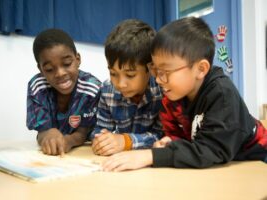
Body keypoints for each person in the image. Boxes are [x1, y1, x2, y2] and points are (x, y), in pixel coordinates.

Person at [102, 17, 267, 171]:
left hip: (256, 162)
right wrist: (171, 142)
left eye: (165, 71)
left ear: (201, 69)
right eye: (155, 70)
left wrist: (151, 155)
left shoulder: (222, 95)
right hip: (223, 166)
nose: (158, 79)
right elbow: (180, 137)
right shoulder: (173, 95)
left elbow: (211, 150)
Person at [90, 19, 163, 156]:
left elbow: (161, 135)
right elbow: (99, 129)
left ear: (151, 68)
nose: (120, 84)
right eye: (113, 73)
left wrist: (126, 141)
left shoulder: (162, 91)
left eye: (130, 75)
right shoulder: (108, 90)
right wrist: (101, 140)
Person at [26, 29, 101, 156]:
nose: (60, 73)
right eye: (49, 69)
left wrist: (67, 141)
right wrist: (49, 133)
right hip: (50, 155)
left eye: (67, 63)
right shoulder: (37, 87)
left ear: (77, 59)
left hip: (82, 152)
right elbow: (41, 132)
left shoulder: (91, 89)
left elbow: (83, 132)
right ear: (41, 69)